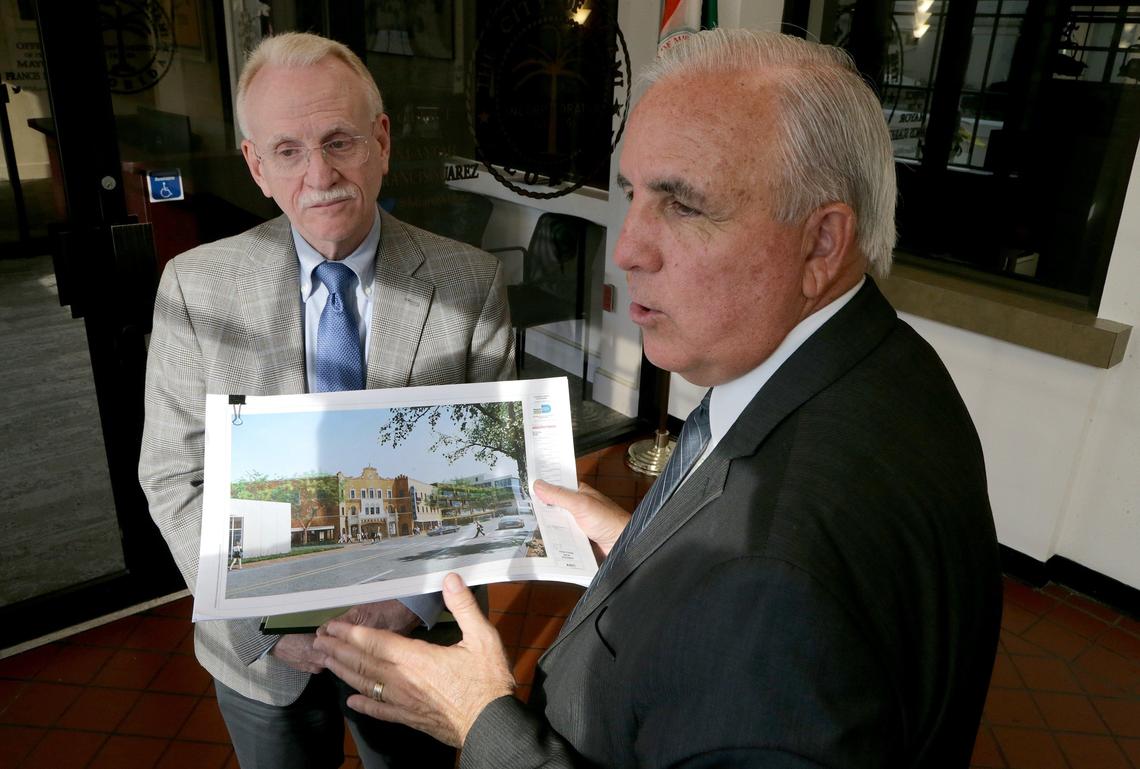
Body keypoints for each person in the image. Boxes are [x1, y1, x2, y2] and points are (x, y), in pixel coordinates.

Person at [313, 28, 1003, 769]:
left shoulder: (772, 591)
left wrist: (480, 719)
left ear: (821, 244)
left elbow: (772, 600)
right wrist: (651, 540)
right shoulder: (892, 363)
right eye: (634, 194)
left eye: (683, 205)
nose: (628, 248)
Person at [138, 31, 513, 769]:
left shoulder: (471, 283)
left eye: (339, 141)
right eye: (288, 151)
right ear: (256, 166)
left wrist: (409, 605)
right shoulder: (194, 287)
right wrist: (273, 624)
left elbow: (491, 477)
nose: (321, 175)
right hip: (258, 652)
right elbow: (175, 479)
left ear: (381, 141)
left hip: (414, 641)